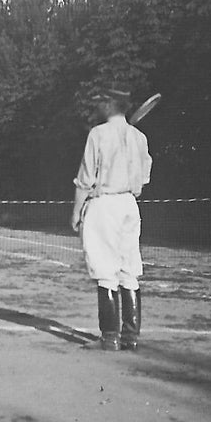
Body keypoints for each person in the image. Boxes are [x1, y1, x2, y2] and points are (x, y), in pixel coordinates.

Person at [71, 87, 153, 350]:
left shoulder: (98, 134)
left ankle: (110, 338)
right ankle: (130, 337)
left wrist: (75, 212)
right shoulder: (139, 136)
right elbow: (144, 179)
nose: (96, 106)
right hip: (130, 204)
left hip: (104, 204)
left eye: (99, 102)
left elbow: (85, 179)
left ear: (109, 105)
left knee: (105, 269)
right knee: (129, 270)